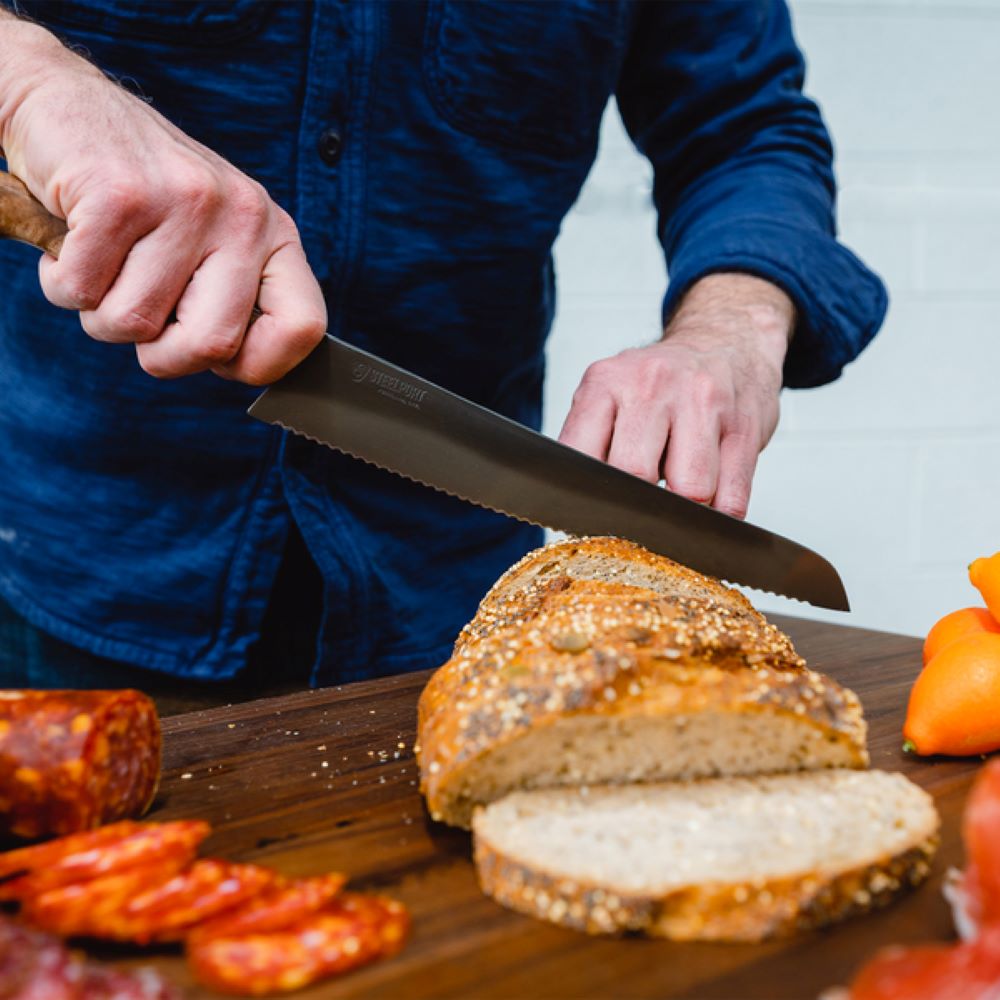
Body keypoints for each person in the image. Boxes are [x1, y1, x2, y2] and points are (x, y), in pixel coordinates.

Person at [0, 1, 886, 700]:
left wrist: (732, 325)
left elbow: (748, 126)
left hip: (451, 604)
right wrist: (29, 82)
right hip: (73, 568)